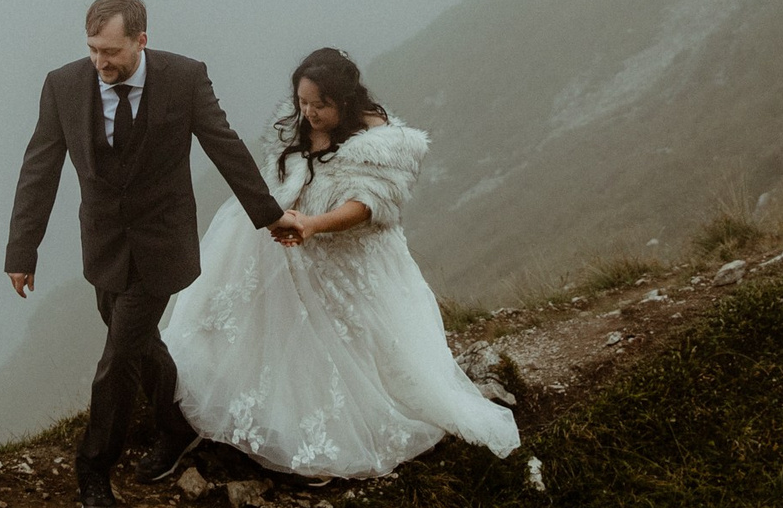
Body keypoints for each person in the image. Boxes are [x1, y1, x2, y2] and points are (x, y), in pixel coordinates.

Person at [161, 47, 519, 480]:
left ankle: (329, 439)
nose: (308, 112)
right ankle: (251, 419)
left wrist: (314, 225)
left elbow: (368, 206)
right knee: (268, 333)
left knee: (349, 350)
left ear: (344, 102)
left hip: (347, 262)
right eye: (302, 101)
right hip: (290, 245)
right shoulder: (298, 124)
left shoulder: (385, 145)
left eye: (319, 104)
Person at [5, 0, 287, 508]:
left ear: (141, 40)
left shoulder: (185, 77)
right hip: (105, 245)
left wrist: (269, 214)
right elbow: (39, 169)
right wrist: (23, 249)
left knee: (117, 355)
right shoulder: (63, 85)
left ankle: (93, 467)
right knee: (133, 337)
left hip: (162, 242)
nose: (99, 63)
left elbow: (223, 144)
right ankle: (175, 424)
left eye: (110, 51)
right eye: (91, 50)